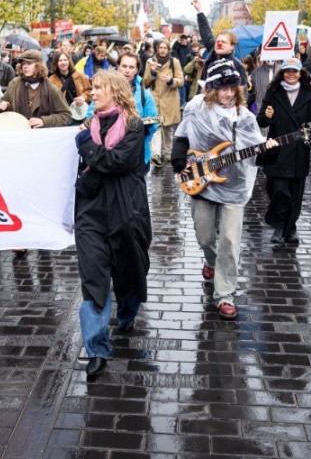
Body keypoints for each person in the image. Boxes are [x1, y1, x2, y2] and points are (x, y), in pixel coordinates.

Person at [172, 57, 273, 320]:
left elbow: (255, 153)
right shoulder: (196, 109)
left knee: (229, 241)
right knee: (204, 236)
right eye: (222, 88)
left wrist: (270, 152)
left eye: (232, 88)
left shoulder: (245, 117)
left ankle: (225, 294)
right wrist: (179, 159)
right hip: (202, 182)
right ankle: (210, 260)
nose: (228, 94)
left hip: (234, 186)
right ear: (211, 89)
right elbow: (182, 136)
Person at [73, 71, 152, 379]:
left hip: (126, 212)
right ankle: (96, 349)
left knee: (129, 271)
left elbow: (116, 161)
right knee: (93, 278)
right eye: (92, 88)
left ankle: (128, 313)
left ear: (116, 91)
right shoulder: (88, 125)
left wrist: (86, 146)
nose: (92, 93)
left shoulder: (133, 126)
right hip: (91, 212)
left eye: (98, 88)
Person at [256, 57, 311, 245]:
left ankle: (290, 228)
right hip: (276, 150)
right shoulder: (273, 92)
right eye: (287, 71)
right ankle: (278, 225)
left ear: (300, 73)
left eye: (294, 71)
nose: (291, 74)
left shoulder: (309, 95)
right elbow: (260, 121)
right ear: (282, 73)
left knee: (295, 194)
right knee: (279, 191)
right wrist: (267, 116)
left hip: (298, 151)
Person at [0, 50, 72, 128]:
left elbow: (66, 116)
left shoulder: (52, 89)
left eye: (29, 63)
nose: (25, 66)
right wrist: (4, 105)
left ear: (39, 65)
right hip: (19, 132)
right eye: (23, 64)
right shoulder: (14, 85)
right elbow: (4, 100)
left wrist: (44, 121)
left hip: (43, 134)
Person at [143, 39, 184, 167]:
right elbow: (145, 82)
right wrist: (152, 73)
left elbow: (181, 80)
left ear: (168, 49)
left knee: (168, 128)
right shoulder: (150, 62)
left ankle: (168, 152)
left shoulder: (174, 62)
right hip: (155, 99)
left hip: (170, 98)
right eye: (160, 47)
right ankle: (155, 154)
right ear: (157, 48)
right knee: (156, 126)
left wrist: (170, 80)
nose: (162, 50)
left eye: (165, 48)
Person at [114, 53, 159, 166]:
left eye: (131, 67)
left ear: (136, 70)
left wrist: (136, 138)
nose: (127, 70)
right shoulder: (105, 90)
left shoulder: (145, 95)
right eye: (124, 66)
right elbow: (92, 113)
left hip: (137, 154)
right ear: (118, 67)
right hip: (110, 152)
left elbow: (153, 123)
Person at [48, 50, 91, 120]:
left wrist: (83, 97)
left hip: (79, 113)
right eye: (60, 60)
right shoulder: (52, 79)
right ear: (56, 63)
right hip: (62, 116)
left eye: (65, 60)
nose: (63, 62)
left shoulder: (80, 75)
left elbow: (90, 91)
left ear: (69, 61)